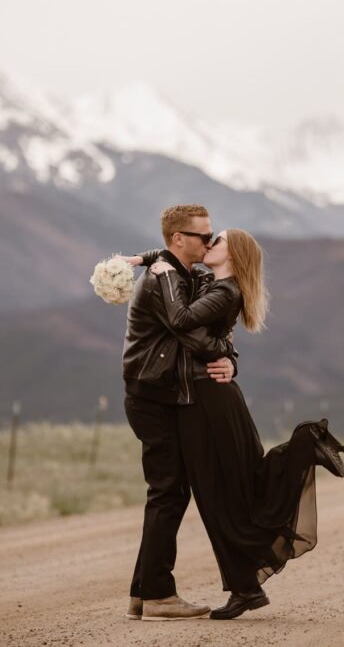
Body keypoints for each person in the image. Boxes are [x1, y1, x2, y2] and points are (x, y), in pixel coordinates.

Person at [147, 228, 344, 620]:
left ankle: (305, 444)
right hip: (212, 399)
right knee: (228, 491)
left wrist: (161, 275)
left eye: (216, 240)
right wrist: (141, 260)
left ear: (233, 256)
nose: (208, 244)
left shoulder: (224, 291)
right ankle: (246, 587)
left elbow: (180, 322)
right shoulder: (216, 285)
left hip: (208, 402)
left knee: (222, 494)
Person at [118, 204, 238, 622]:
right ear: (178, 239)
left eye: (211, 235)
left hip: (165, 394)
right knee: (168, 490)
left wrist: (231, 359)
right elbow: (188, 328)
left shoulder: (184, 271)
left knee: (168, 490)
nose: (210, 241)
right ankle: (157, 594)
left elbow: (215, 329)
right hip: (151, 396)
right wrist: (224, 353)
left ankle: (142, 593)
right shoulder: (163, 279)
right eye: (203, 236)